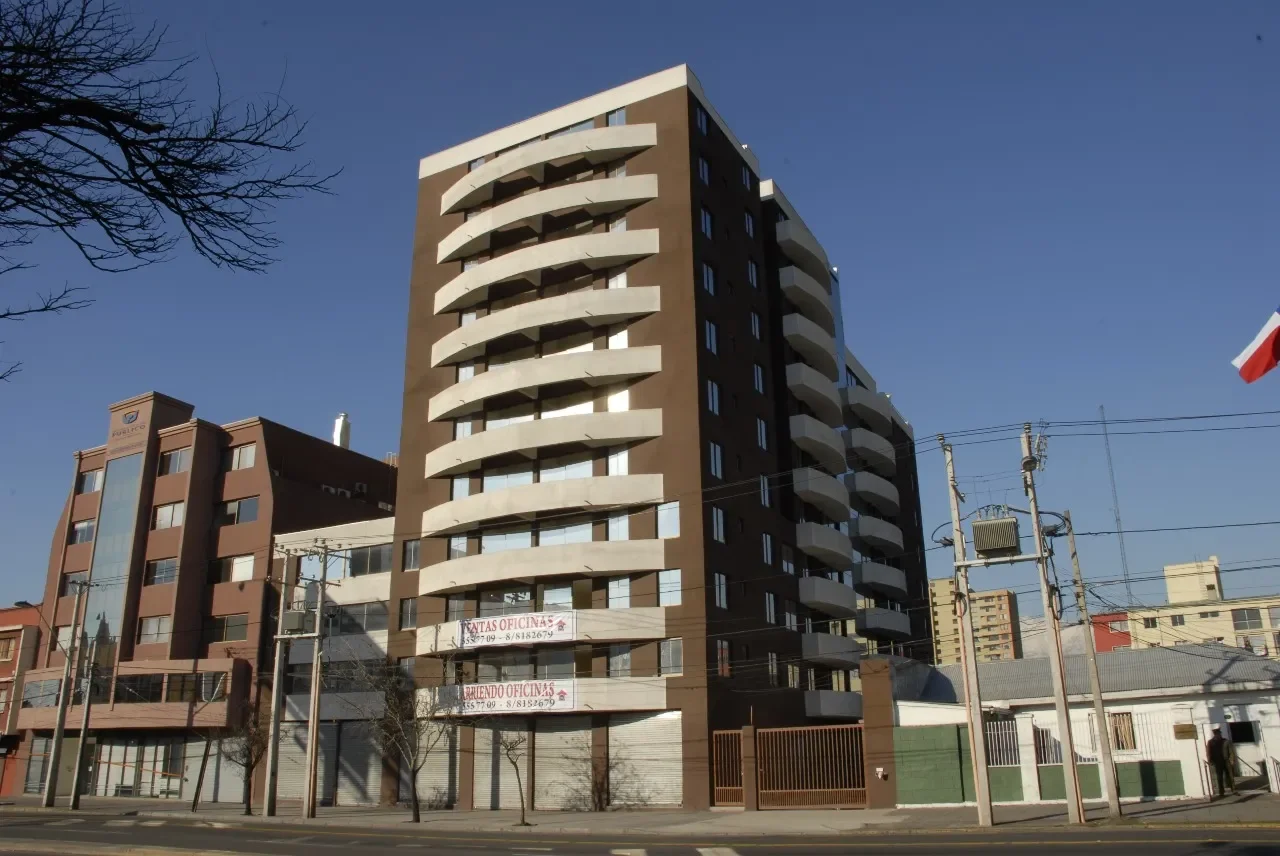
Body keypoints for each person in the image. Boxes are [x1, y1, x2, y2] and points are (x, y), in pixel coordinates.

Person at [1205, 727, 1235, 798]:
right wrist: (1210, 761)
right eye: (1217, 734)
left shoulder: (1226, 741)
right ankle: (1221, 792)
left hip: (1226, 760)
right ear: (1214, 734)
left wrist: (1232, 759)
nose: (1218, 735)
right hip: (1217, 762)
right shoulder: (1211, 742)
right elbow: (1208, 752)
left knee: (1230, 775)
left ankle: (1233, 789)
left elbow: (1231, 751)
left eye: (1219, 734)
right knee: (1219, 777)